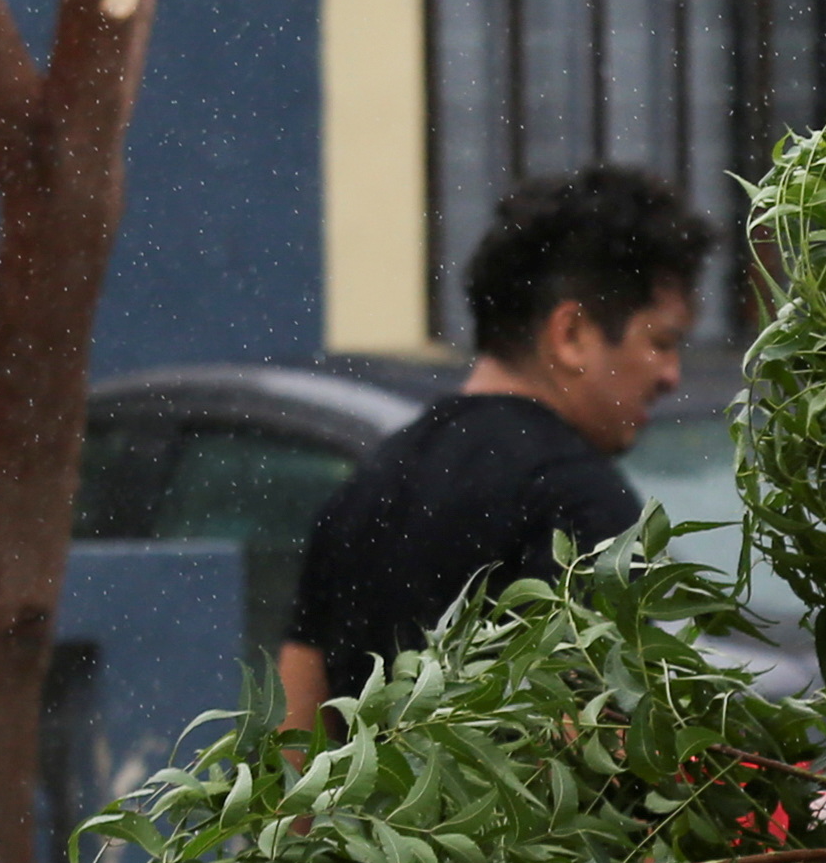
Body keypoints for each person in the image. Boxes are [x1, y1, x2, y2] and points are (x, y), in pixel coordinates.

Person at [276, 164, 715, 735]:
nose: (672, 375)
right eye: (660, 342)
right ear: (571, 334)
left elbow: (294, 747)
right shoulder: (582, 507)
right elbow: (607, 751)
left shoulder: (362, 492)